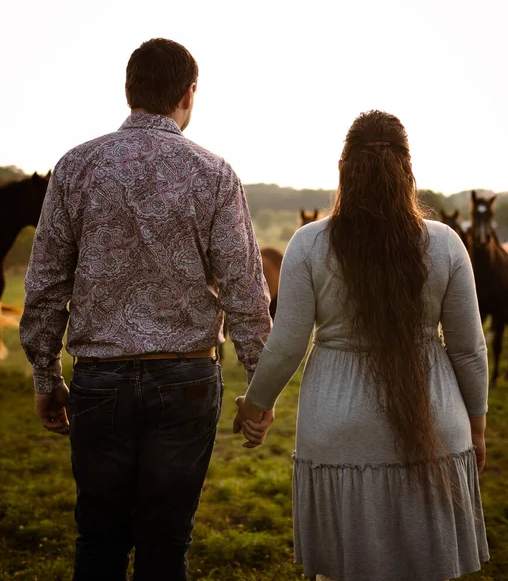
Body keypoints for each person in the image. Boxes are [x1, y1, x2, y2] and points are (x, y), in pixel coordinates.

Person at [19, 38, 272, 581]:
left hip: (99, 380)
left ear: (129, 91)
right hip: (185, 379)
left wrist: (46, 375)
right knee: (165, 546)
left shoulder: (76, 166)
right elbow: (245, 292)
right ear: (189, 95)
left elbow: (43, 284)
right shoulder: (214, 173)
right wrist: (260, 386)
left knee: (98, 543)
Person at [234, 110, 489, 581]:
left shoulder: (309, 244)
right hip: (437, 422)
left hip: (338, 427)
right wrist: (476, 427)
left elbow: (288, 343)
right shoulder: (446, 244)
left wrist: (254, 407)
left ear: (344, 168)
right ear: (408, 170)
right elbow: (469, 349)